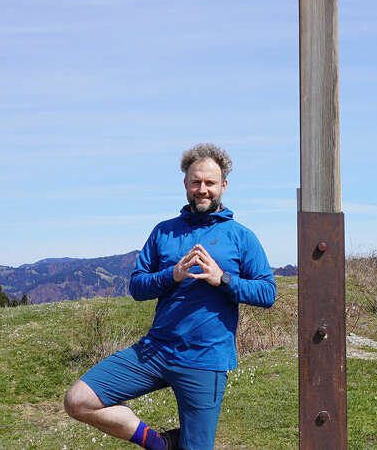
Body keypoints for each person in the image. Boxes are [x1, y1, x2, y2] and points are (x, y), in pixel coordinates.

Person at [64, 143, 277, 450]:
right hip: (155, 350)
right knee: (78, 400)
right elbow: (137, 287)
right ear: (185, 184)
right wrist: (171, 275)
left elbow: (267, 292)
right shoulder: (164, 232)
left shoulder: (241, 236)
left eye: (210, 183)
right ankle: (159, 444)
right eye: (196, 182)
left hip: (206, 360)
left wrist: (223, 279)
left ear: (223, 186)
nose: (202, 189)